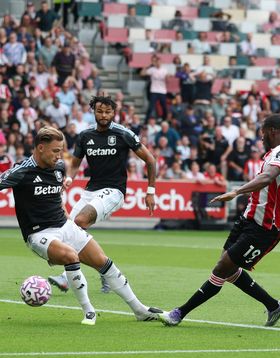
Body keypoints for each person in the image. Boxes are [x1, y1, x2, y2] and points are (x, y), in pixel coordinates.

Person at [0, 126, 161, 325]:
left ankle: (139, 310)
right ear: (40, 148)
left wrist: (68, 222)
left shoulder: (59, 168)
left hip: (64, 225)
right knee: (70, 255)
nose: (59, 156)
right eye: (55, 151)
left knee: (103, 261)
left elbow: (56, 197)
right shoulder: (22, 171)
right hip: (38, 233)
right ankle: (89, 311)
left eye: (61, 150)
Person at [158, 114, 280, 327]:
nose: (260, 137)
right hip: (250, 219)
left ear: (272, 131)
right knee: (228, 268)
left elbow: (268, 178)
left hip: (264, 228)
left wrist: (236, 192)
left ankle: (179, 313)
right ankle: (274, 306)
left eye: (262, 131)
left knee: (222, 268)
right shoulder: (278, 153)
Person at [48, 95, 157, 293]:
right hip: (90, 190)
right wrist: (70, 178)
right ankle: (104, 270)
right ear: (94, 112)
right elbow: (75, 163)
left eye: (108, 111)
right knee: (66, 232)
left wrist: (150, 191)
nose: (104, 115)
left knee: (80, 221)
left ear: (114, 113)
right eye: (100, 111)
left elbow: (150, 160)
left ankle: (66, 279)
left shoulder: (124, 134)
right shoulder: (84, 136)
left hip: (114, 191)